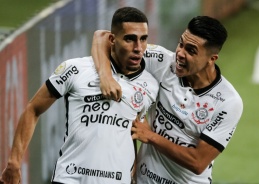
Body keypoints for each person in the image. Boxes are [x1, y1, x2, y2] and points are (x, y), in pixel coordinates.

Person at [0, 7, 159, 184]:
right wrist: (14, 162)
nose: (138, 48)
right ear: (112, 39)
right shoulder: (75, 69)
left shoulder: (150, 85)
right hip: (69, 178)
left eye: (143, 39)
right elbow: (33, 109)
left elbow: (131, 134)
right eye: (130, 39)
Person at [91, 15, 243, 183]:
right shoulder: (162, 62)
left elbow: (198, 161)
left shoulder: (228, 102)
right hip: (142, 179)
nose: (180, 53)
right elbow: (103, 37)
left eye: (191, 51)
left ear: (211, 59)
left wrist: (151, 136)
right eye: (181, 44)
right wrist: (105, 76)